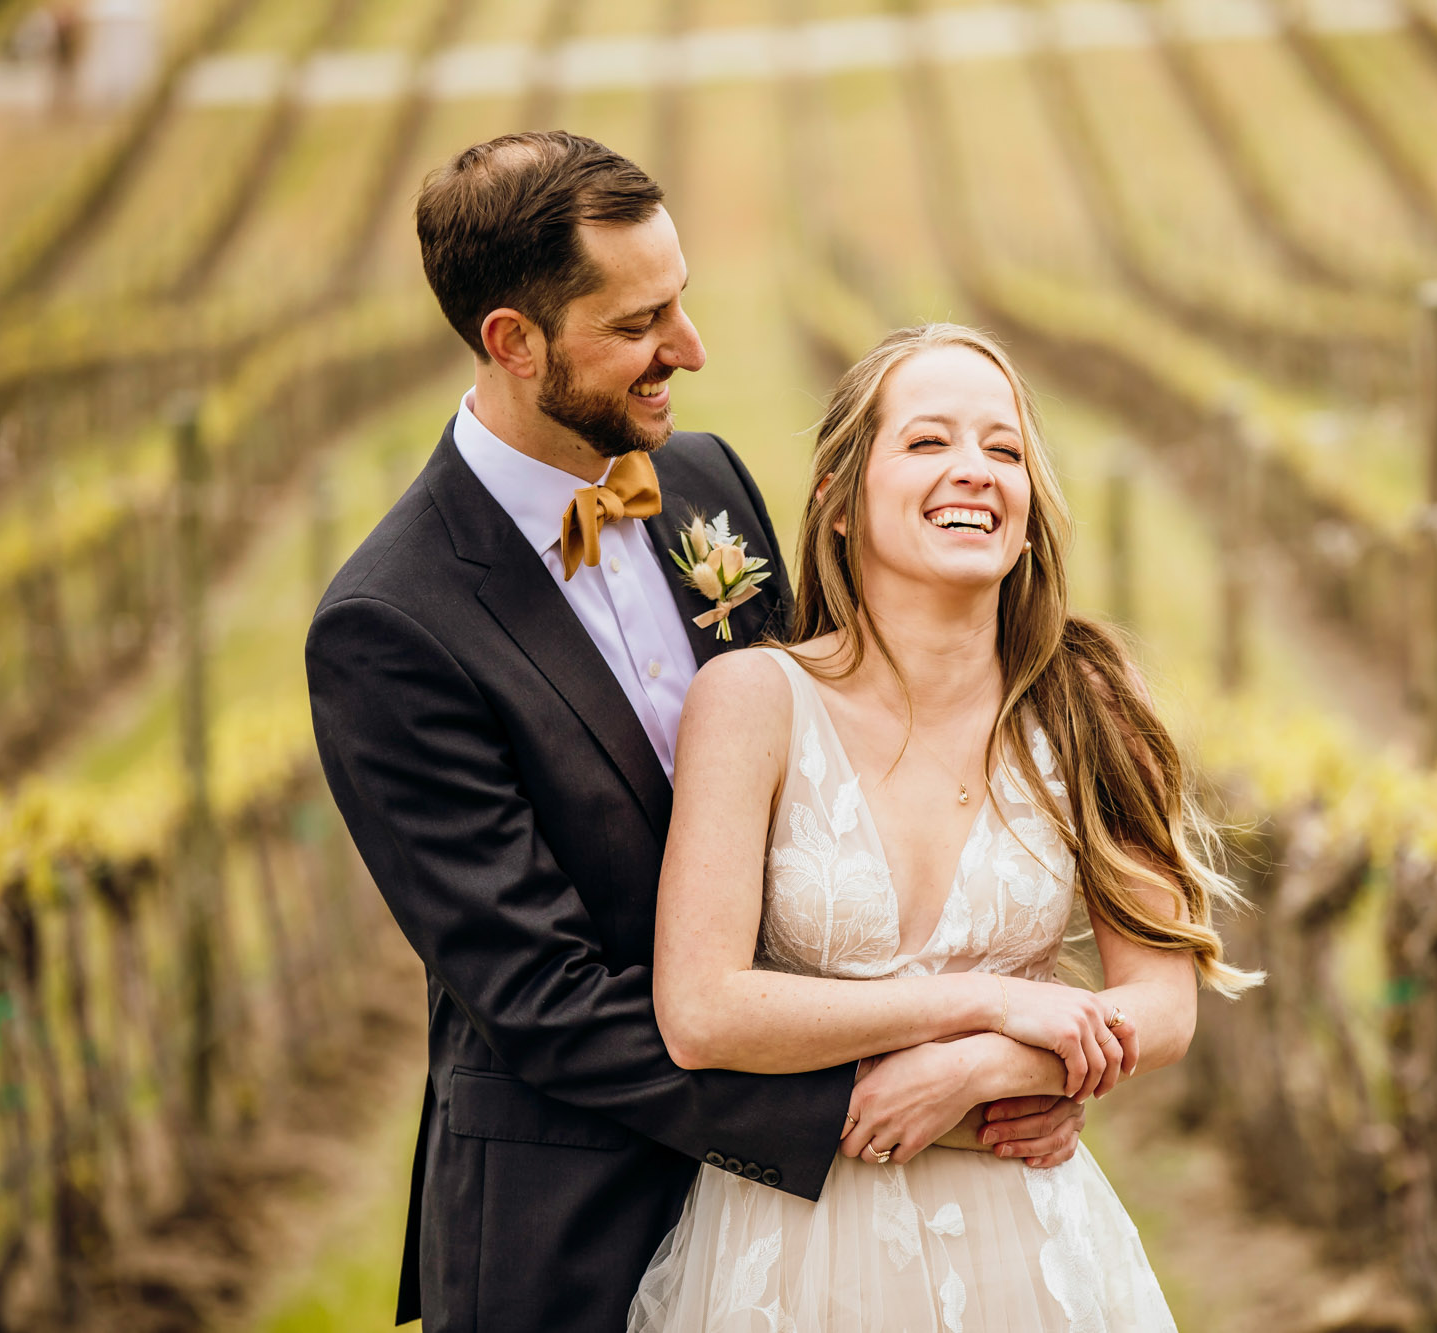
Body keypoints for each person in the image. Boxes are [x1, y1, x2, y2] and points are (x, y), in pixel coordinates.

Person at [303, 132, 1081, 1333]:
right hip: (577, 1211)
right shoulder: (390, 625)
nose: (692, 348)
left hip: (824, 1231)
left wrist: (1008, 1062)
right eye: (640, 323)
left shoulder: (704, 479)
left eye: (683, 300)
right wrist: (889, 1090)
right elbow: (546, 995)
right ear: (512, 341)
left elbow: (842, 754)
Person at [629, 323, 1261, 1331]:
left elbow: (1163, 1005)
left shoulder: (1086, 699)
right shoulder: (751, 699)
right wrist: (991, 1002)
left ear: (1026, 508)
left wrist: (983, 1065)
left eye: (1002, 450)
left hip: (1029, 1244)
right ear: (840, 500)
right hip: (794, 1248)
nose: (973, 470)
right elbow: (702, 1009)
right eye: (927, 442)